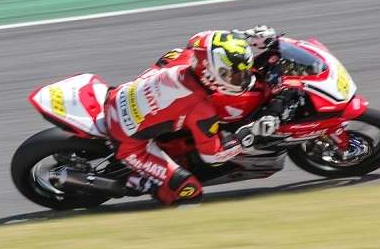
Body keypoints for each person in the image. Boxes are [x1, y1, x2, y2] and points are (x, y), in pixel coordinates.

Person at [103, 26, 281, 205]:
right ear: (212, 74)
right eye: (235, 76)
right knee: (191, 192)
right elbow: (213, 156)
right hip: (129, 143)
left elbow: (205, 39)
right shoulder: (200, 109)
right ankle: (140, 182)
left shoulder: (189, 55)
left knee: (171, 57)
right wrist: (251, 133)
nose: (243, 79)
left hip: (118, 97)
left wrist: (246, 37)